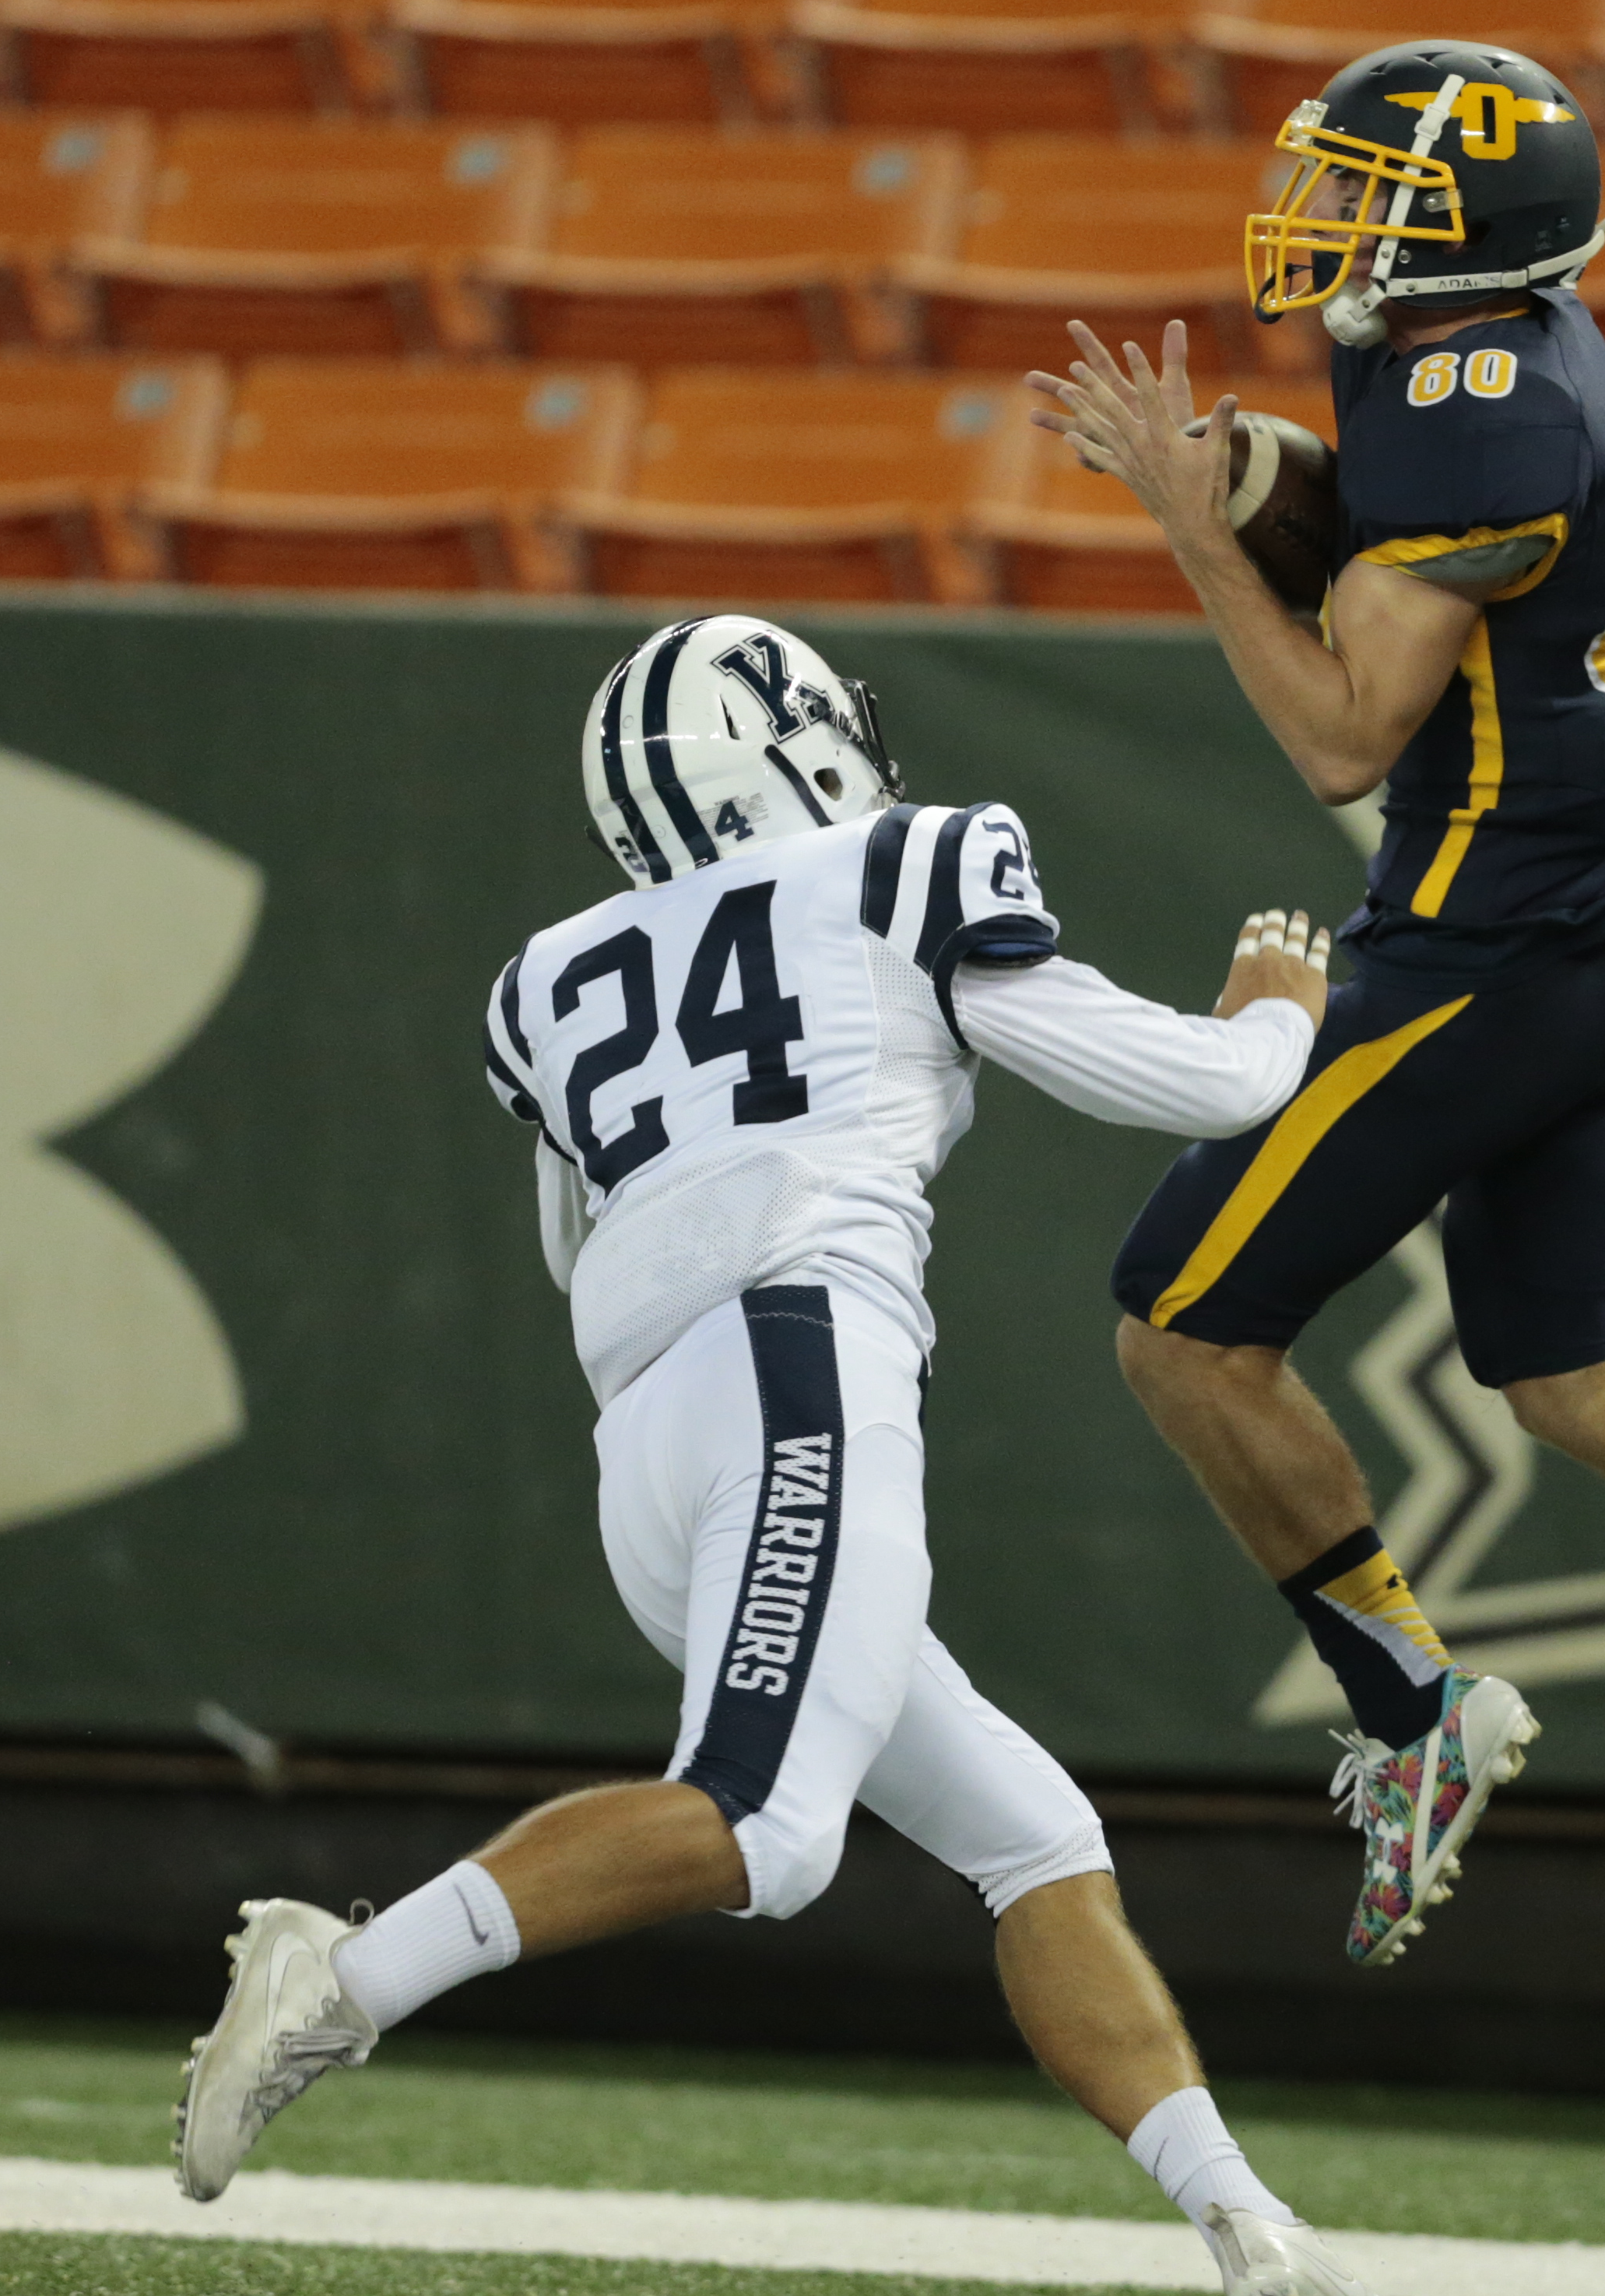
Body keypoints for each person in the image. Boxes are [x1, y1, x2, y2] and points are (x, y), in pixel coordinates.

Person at [176, 613, 1377, 2296]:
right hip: (798, 1357)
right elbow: (1185, 1084)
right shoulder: (902, 864)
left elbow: (570, 1237)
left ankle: (1247, 2230)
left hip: (649, 1442)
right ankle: (348, 1973)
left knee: (1031, 1831)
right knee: (764, 1823)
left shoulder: (545, 977)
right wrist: (1271, 1017)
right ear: (794, 738)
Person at [1026, 43, 1605, 1970]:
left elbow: (1342, 731)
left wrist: (1191, 523)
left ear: (1467, 224)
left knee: (1182, 1331)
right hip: (1591, 940)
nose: (1323, 220)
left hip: (1483, 954)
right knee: (1565, 1366)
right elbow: (1398, 552)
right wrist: (1271, 478)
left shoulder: (1479, 399)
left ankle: (1414, 1707)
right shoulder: (1476, 346)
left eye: (1362, 187)